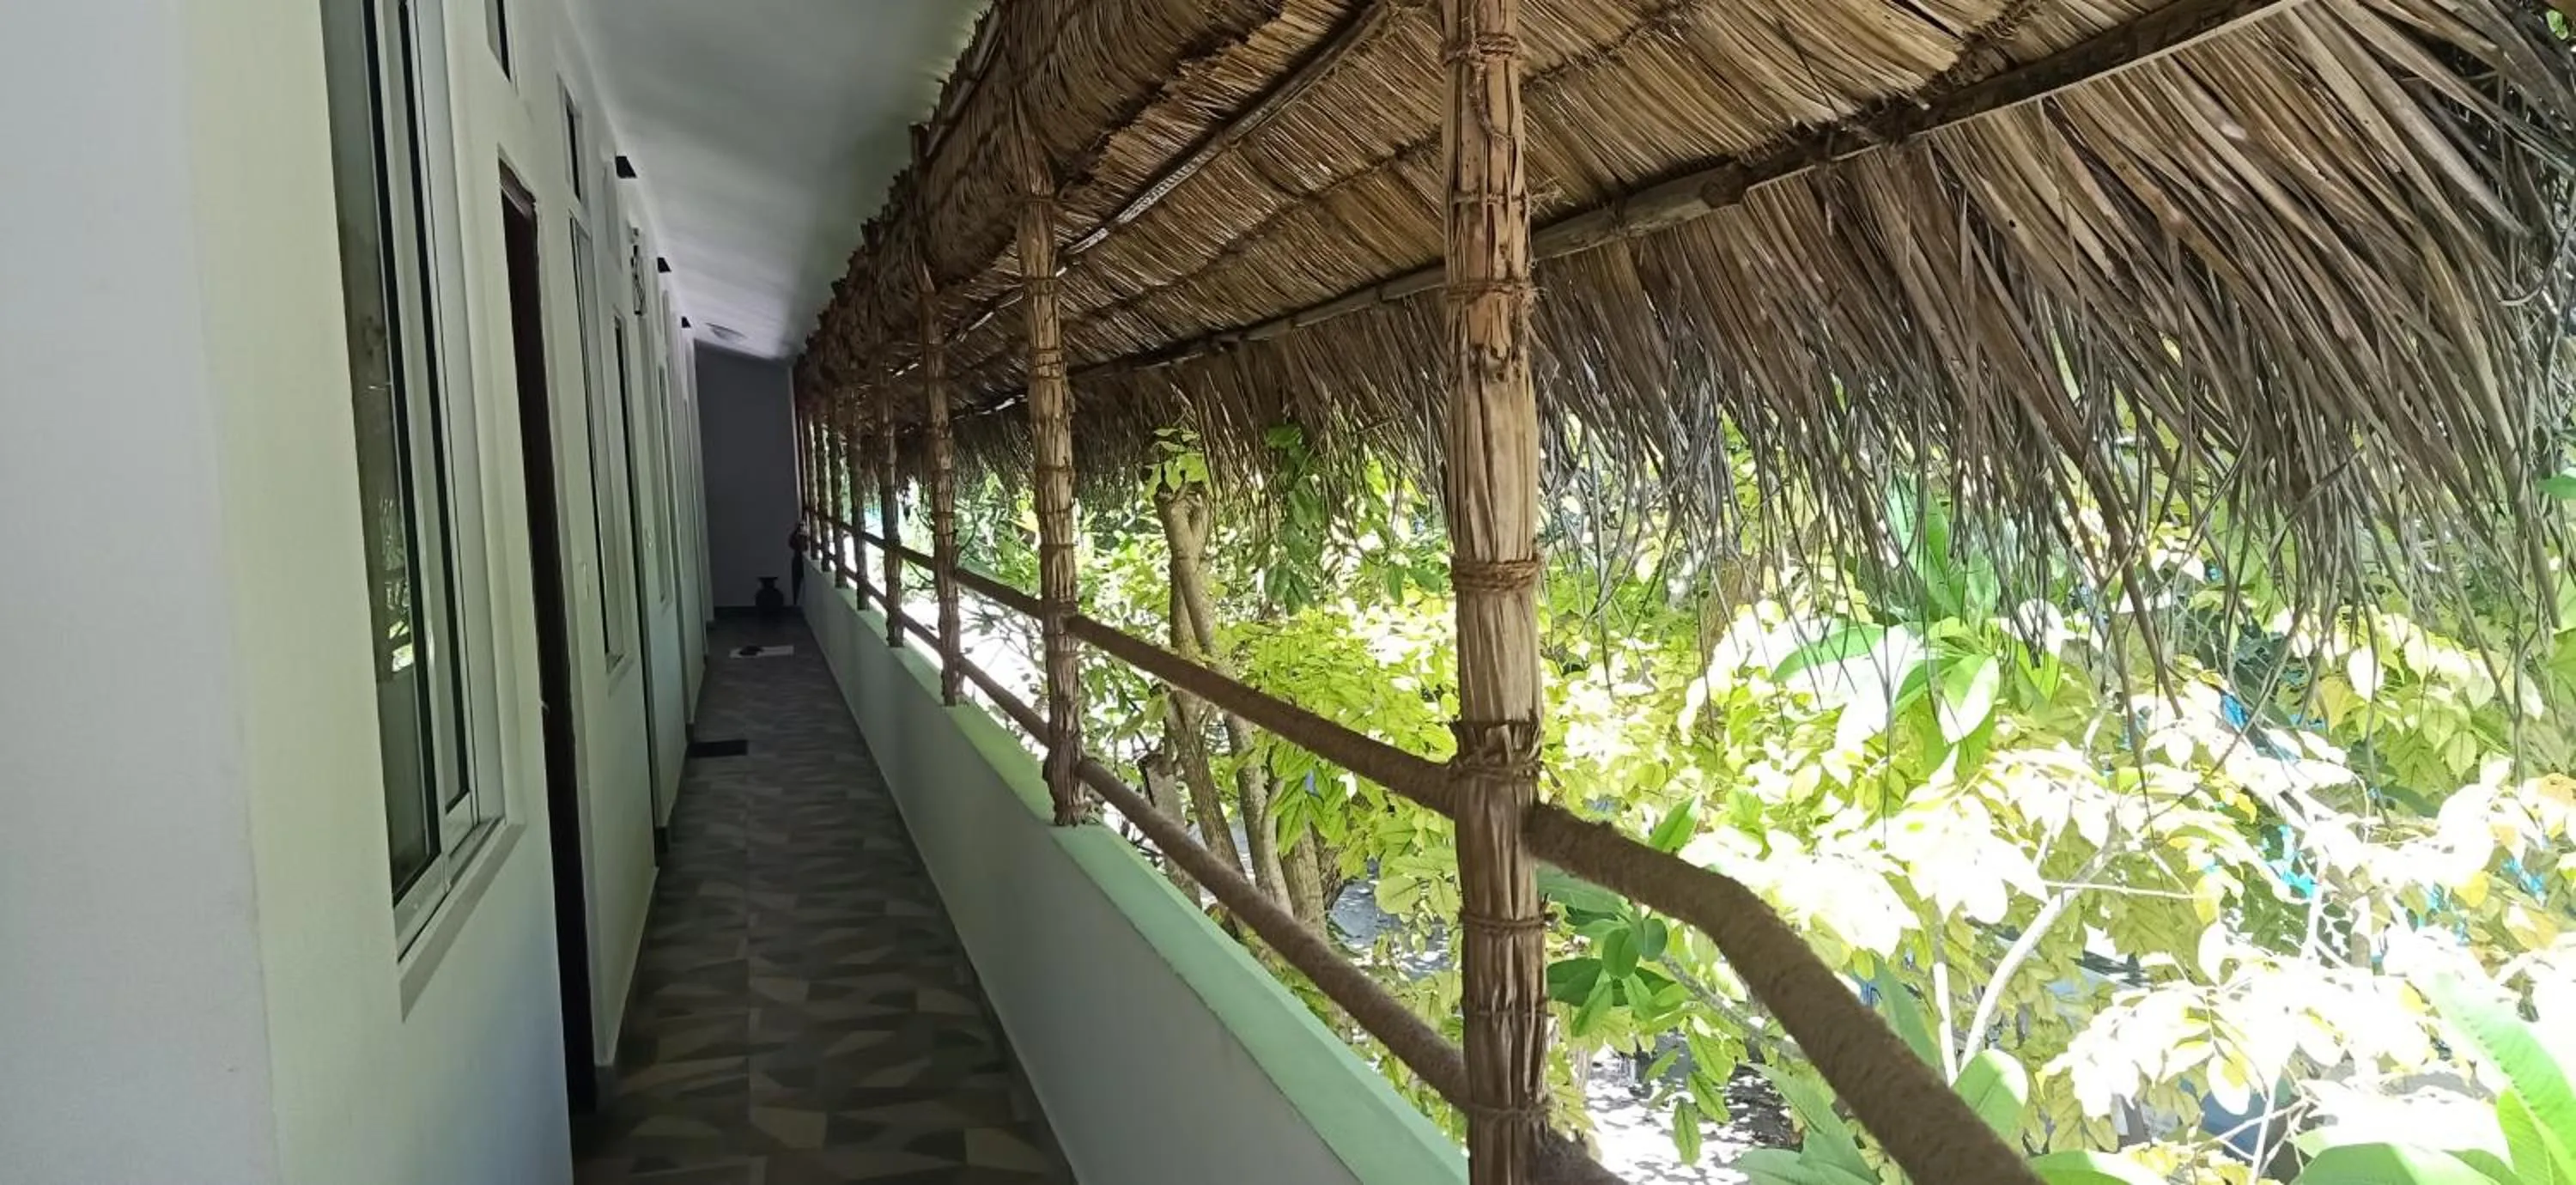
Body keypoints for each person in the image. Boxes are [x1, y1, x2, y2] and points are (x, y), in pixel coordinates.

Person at [787, 523, 810, 606]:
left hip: (798, 561)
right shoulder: (799, 540)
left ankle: (797, 603)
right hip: (798, 561)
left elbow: (791, 542)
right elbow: (791, 542)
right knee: (797, 585)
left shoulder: (802, 538)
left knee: (797, 585)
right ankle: (796, 603)